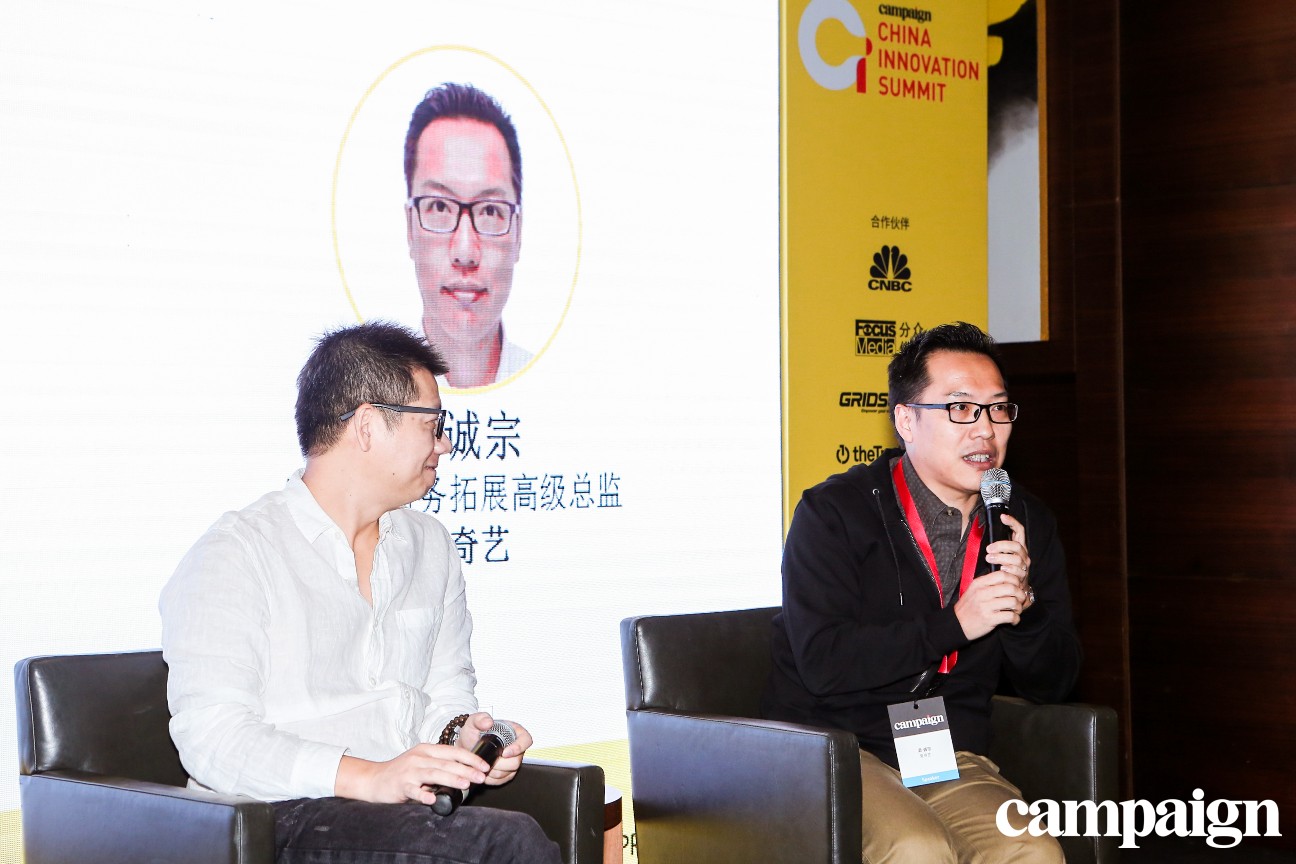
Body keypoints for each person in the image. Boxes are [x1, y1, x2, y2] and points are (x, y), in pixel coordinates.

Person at [161, 321, 559, 864]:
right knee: (503, 842)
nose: (444, 444)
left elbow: (444, 692)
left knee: (503, 834)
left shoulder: (431, 545)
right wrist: (370, 777)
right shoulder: (236, 553)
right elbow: (213, 738)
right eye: (433, 425)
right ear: (368, 426)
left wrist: (461, 739)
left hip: (398, 817)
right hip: (273, 817)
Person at [762, 322, 1082, 863]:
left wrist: (1023, 609)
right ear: (906, 420)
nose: (985, 430)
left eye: (998, 409)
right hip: (835, 745)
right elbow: (824, 662)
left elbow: (1055, 682)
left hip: (944, 752)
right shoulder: (835, 513)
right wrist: (956, 624)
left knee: (1031, 849)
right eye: (961, 408)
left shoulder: (1024, 521)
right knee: (917, 848)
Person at [405, 82, 532, 388]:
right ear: (410, 228)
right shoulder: (370, 397)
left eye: (489, 211)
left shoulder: (553, 388)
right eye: (439, 206)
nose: (465, 251)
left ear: (518, 233)